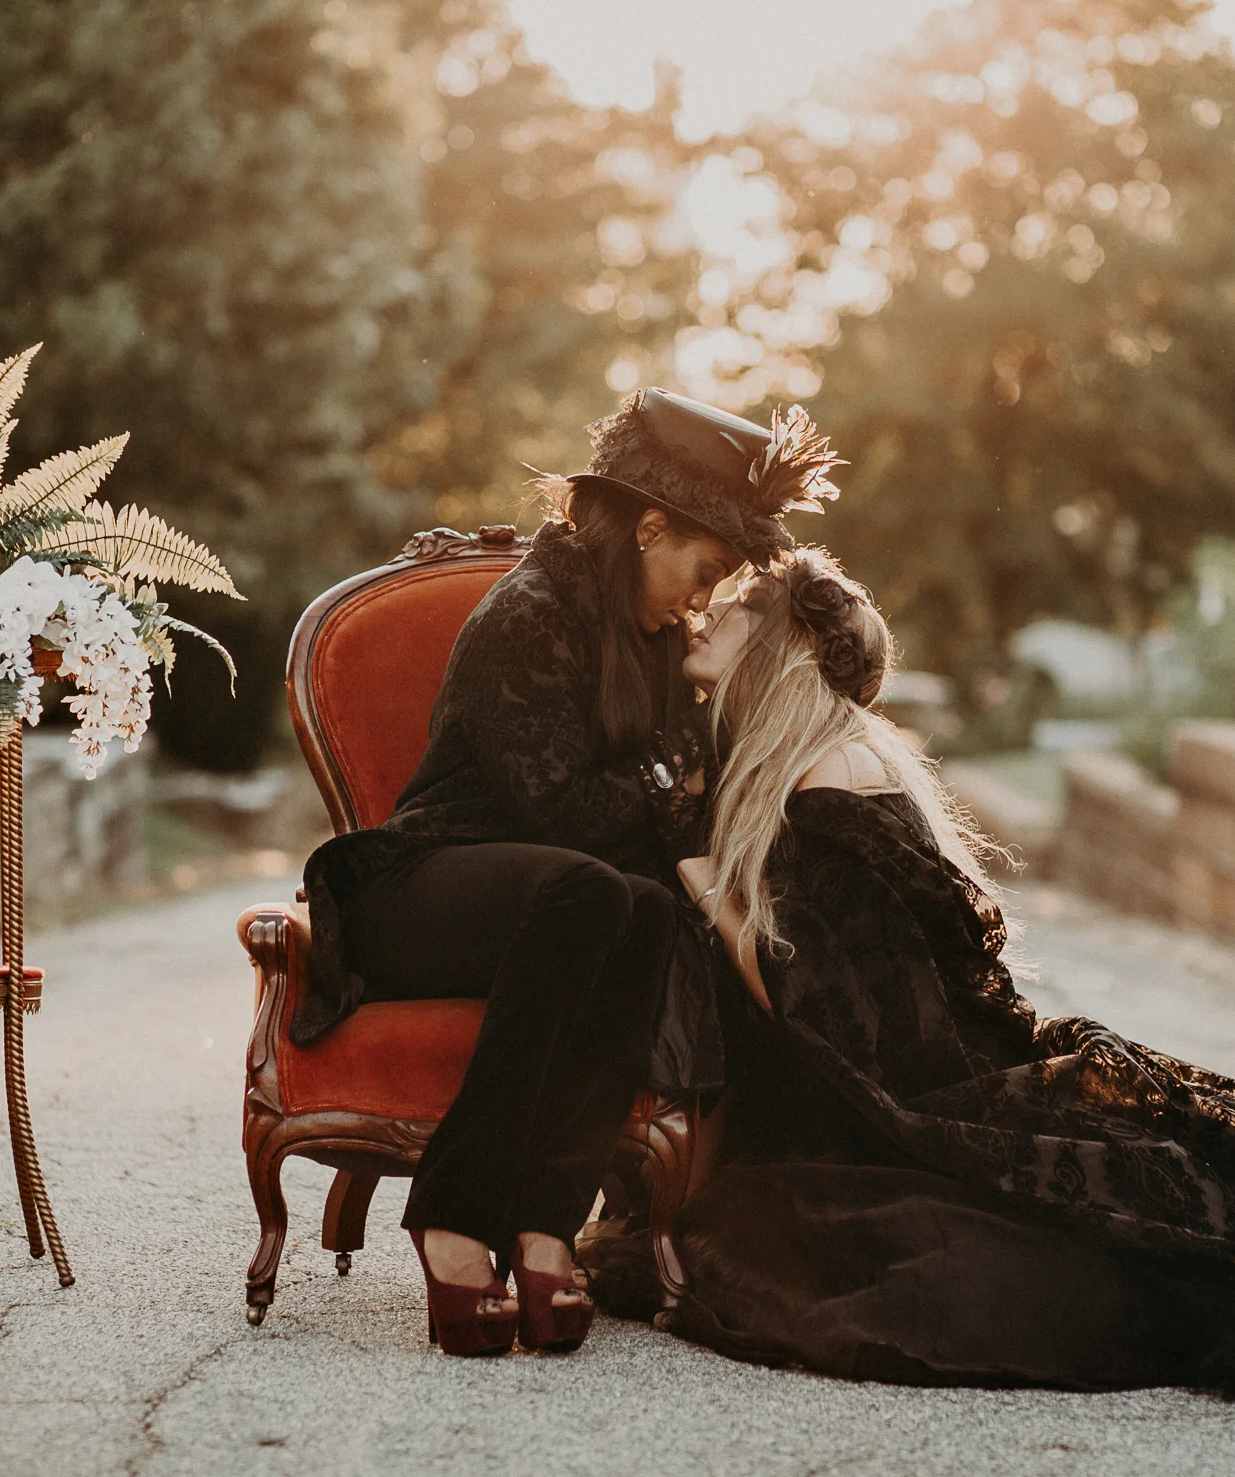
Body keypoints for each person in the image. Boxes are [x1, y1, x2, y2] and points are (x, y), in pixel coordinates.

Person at [593, 549, 1235, 1412]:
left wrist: (708, 890)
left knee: (862, 1249)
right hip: (958, 1062)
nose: (703, 612)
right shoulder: (842, 757)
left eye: (730, 608)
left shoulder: (822, 787)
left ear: (780, 647)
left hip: (923, 1096)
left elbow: (832, 1018)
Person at [295, 388, 845, 1356]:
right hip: (417, 891)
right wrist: (665, 778)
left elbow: (669, 807)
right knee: (601, 889)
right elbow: (567, 813)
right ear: (649, 527)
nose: (703, 598)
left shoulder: (654, 644)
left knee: (637, 907)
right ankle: (457, 1216)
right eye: (703, 569)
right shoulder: (530, 613)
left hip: (560, 913)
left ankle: (546, 1222)